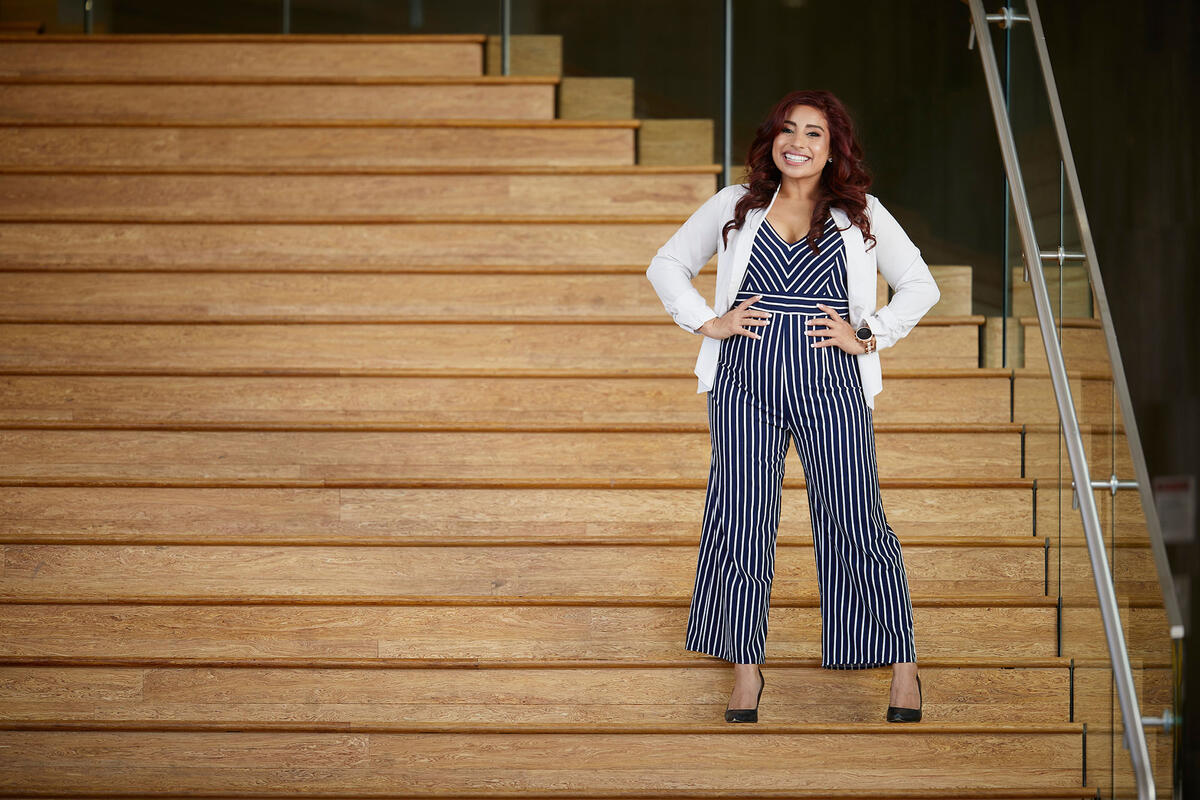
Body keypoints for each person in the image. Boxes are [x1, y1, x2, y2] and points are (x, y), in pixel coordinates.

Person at [645, 89, 940, 723]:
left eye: (813, 133)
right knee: (739, 518)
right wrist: (707, 321)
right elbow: (667, 264)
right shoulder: (737, 204)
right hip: (744, 375)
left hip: (831, 376)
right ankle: (745, 668)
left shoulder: (860, 213)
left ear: (833, 149)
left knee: (855, 516)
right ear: (772, 140)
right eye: (787, 129)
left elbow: (920, 284)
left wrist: (868, 334)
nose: (797, 142)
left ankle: (902, 663)